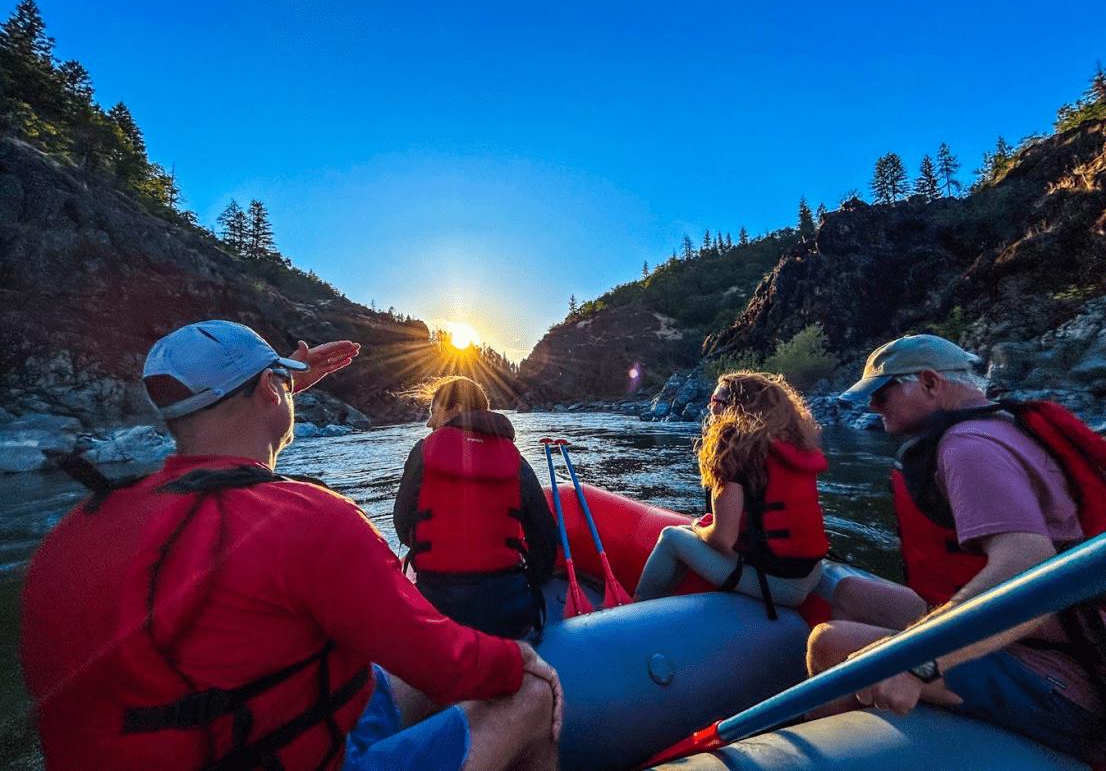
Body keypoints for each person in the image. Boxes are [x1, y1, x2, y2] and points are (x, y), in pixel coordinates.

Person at [20, 320, 562, 771]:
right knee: (531, 692)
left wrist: (276, 385)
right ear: (266, 392)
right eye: (280, 384)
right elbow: (450, 665)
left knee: (387, 673)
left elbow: (209, 444)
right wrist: (518, 659)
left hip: (229, 742)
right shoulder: (310, 519)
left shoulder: (76, 527)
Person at [805, 334, 1105, 763]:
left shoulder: (967, 447)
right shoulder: (1005, 426)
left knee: (832, 644)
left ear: (929, 383)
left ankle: (845, 755)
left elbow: (1028, 563)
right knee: (853, 593)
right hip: (1058, 638)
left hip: (1068, 681)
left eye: (882, 392)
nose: (872, 406)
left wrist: (919, 660)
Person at [634, 371, 829, 618]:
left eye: (715, 401)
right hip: (811, 573)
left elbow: (723, 539)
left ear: (734, 407)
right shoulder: (792, 442)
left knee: (672, 536)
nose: (709, 406)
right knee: (692, 533)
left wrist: (697, 527)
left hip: (780, 585)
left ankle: (632, 609)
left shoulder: (732, 445)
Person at [394, 376, 559, 639]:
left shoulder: (422, 453)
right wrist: (532, 580)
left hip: (440, 614)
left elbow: (403, 526)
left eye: (433, 412)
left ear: (456, 410)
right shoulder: (515, 459)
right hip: (507, 614)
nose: (429, 423)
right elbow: (545, 537)